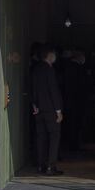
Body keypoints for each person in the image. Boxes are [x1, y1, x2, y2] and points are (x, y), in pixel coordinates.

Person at [31, 44, 64, 175]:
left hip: (38, 109)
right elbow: (53, 91)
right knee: (54, 137)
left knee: (41, 137)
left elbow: (32, 88)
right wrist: (58, 111)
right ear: (49, 55)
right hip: (50, 109)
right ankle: (51, 166)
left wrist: (34, 104)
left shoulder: (36, 69)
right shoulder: (49, 70)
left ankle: (41, 165)